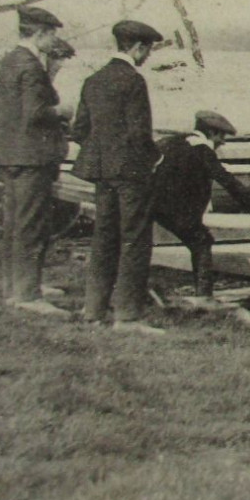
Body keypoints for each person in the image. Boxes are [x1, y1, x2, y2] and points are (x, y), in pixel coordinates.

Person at [71, 19, 166, 333]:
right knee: (135, 241)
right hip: (130, 173)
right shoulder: (133, 81)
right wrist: (156, 157)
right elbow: (140, 134)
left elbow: (79, 131)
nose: (147, 57)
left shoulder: (93, 80)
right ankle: (127, 316)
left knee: (104, 239)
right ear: (138, 48)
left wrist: (104, 153)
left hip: (102, 173)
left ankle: (93, 310)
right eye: (147, 50)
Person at [152, 111, 250, 304]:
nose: (222, 142)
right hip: (176, 208)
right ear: (211, 132)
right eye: (221, 136)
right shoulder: (202, 150)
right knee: (202, 242)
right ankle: (204, 299)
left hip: (150, 205)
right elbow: (229, 183)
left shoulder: (170, 141)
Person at [0, 5, 68, 316]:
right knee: (31, 226)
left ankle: (16, 287)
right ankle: (28, 294)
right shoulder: (32, 66)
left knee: (14, 224)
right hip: (32, 158)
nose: (53, 42)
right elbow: (36, 113)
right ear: (39, 33)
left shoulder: (11, 60)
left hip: (10, 154)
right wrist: (64, 112)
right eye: (51, 35)